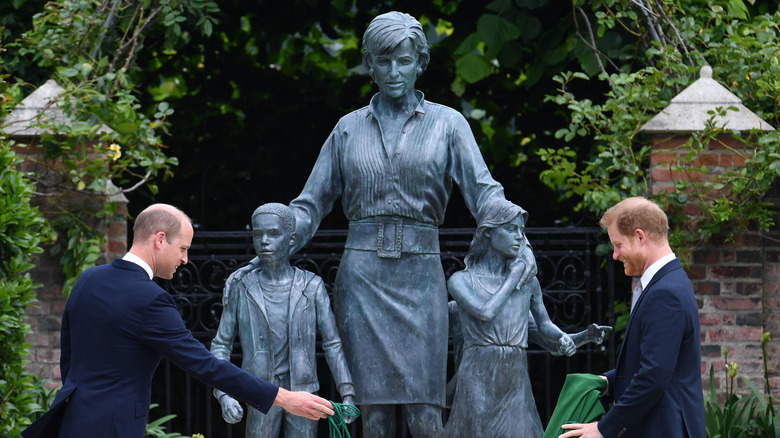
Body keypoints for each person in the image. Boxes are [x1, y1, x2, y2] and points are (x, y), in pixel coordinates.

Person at [235, 11, 535, 437]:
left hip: (421, 277)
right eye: (383, 61)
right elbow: (310, 204)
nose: (394, 72)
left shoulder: (449, 124)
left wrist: (514, 232)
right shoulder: (347, 129)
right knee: (372, 415)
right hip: (363, 279)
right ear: (370, 65)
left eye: (404, 61)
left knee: (426, 413)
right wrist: (280, 238)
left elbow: (484, 193)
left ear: (420, 63)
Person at [21, 204, 334, 438]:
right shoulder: (150, 299)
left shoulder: (89, 279)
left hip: (71, 420)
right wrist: (285, 397)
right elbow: (206, 365)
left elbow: (69, 355)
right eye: (183, 248)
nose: (185, 259)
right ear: (160, 240)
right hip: (115, 428)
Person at [443, 200, 608, 437]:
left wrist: (581, 337)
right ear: (488, 233)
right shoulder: (461, 280)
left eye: (521, 230)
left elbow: (545, 329)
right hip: (477, 375)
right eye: (511, 229)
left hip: (514, 378)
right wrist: (514, 276)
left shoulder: (529, 284)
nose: (519, 237)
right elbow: (486, 313)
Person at [559, 196, 705, 438]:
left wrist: (604, 428)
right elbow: (658, 364)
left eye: (618, 245)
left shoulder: (665, 292)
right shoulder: (668, 282)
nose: (615, 255)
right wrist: (608, 382)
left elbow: (654, 376)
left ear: (640, 237)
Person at [210, 203, 356, 437]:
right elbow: (221, 345)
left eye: (274, 233)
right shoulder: (241, 287)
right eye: (258, 234)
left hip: (305, 391)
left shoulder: (312, 286)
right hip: (258, 391)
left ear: (291, 239)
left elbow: (332, 344)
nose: (265, 241)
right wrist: (224, 393)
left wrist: (347, 392)